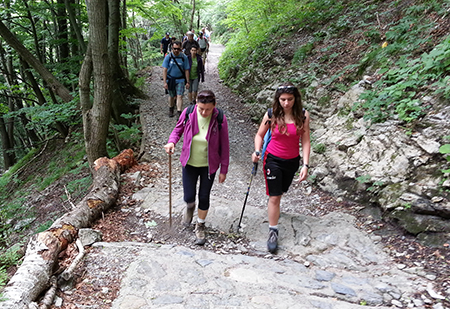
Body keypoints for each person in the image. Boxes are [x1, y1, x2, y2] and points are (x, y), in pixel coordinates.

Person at [164, 90, 230, 245]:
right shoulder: (189, 112)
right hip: (189, 163)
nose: (204, 112)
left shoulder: (220, 118)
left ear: (214, 106)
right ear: (196, 105)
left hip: (209, 165)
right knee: (189, 196)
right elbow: (178, 129)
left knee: (204, 196)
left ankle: (200, 224)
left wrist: (224, 169)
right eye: (201, 108)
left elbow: (225, 146)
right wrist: (172, 141)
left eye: (208, 109)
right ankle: (190, 207)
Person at [251, 82, 311, 253]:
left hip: (292, 161)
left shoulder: (303, 115)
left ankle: (273, 210)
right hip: (272, 159)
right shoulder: (271, 114)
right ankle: (273, 231)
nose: (286, 103)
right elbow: (259, 135)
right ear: (278, 99)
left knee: (281, 191)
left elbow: (305, 141)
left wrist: (305, 164)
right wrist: (257, 150)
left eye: (290, 99)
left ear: (295, 99)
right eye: (283, 99)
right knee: (275, 196)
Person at [162, 41, 190, 117]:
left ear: (181, 49)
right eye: (174, 48)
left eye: (178, 49)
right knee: (171, 96)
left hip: (180, 80)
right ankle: (171, 108)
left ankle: (179, 112)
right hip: (170, 79)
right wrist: (165, 82)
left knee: (179, 96)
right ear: (172, 48)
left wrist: (188, 82)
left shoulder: (184, 57)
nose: (176, 50)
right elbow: (165, 70)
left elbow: (186, 70)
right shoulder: (168, 57)